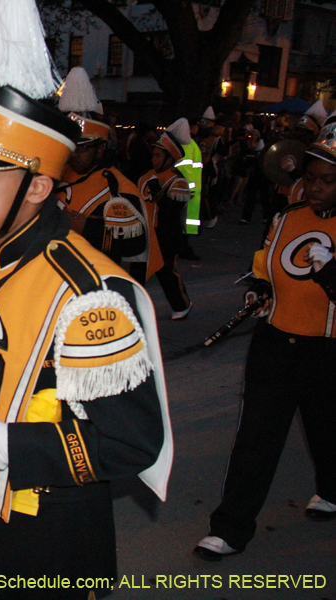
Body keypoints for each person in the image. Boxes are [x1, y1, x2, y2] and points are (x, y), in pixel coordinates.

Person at [0, 0, 171, 596]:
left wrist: (8, 446)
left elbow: (132, 441)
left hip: (49, 531)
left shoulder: (86, 296)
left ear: (39, 186)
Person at [194, 114, 336, 561]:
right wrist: (260, 292)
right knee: (256, 438)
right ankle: (230, 528)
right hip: (274, 344)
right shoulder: (288, 216)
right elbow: (266, 268)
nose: (314, 189)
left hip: (327, 352)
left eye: (328, 181)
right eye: (311, 179)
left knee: (327, 431)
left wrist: (330, 269)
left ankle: (332, 490)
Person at [57, 67, 149, 265]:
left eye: (81, 149)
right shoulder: (54, 175)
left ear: (100, 149)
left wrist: (87, 228)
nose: (73, 155)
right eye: (69, 147)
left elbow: (136, 244)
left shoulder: (118, 187)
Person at [137, 128, 193, 320]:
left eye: (158, 156)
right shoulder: (147, 175)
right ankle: (131, 307)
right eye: (153, 155)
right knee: (137, 272)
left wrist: (155, 187)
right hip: (144, 232)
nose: (154, 159)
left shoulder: (178, 182)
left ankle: (182, 305)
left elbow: (170, 210)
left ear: (170, 158)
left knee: (166, 273)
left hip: (166, 236)